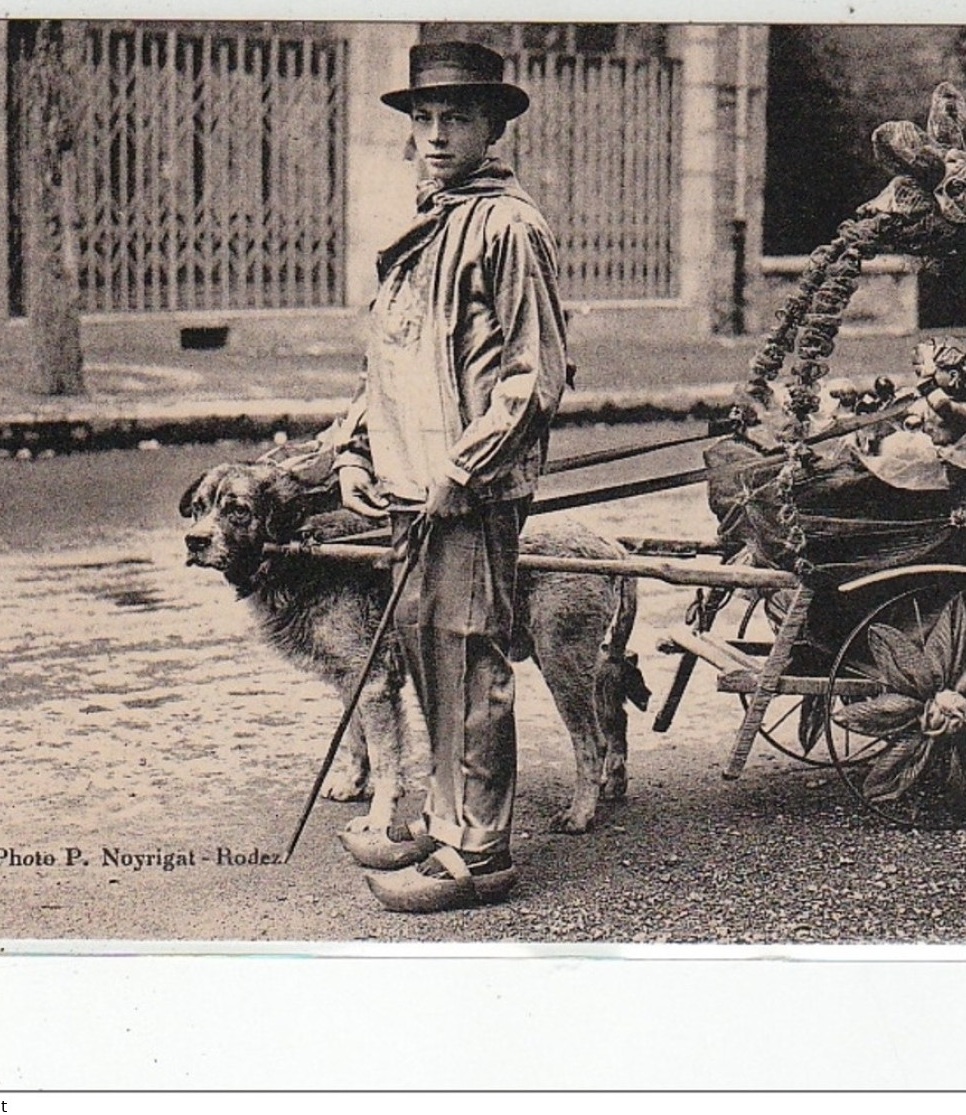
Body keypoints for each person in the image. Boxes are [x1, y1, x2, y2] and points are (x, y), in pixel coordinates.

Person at [330, 40, 569, 913]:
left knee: (469, 660)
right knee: (430, 656)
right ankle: (443, 815)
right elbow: (385, 365)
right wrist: (356, 454)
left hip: (466, 490)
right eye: (424, 118)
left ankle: (482, 852)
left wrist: (464, 470)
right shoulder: (423, 225)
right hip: (406, 483)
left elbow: (532, 375)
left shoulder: (508, 228)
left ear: (494, 126)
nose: (436, 135)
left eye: (457, 117)